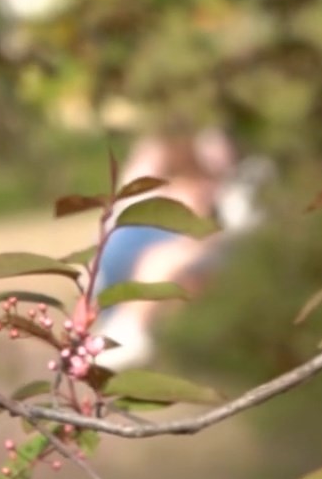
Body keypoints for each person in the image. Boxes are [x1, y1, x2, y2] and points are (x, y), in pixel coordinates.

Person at [91, 127, 273, 370]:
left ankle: (132, 331)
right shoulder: (177, 182)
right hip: (149, 254)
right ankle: (125, 330)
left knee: (160, 261)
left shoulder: (237, 189)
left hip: (199, 252)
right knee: (154, 259)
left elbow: (223, 232)